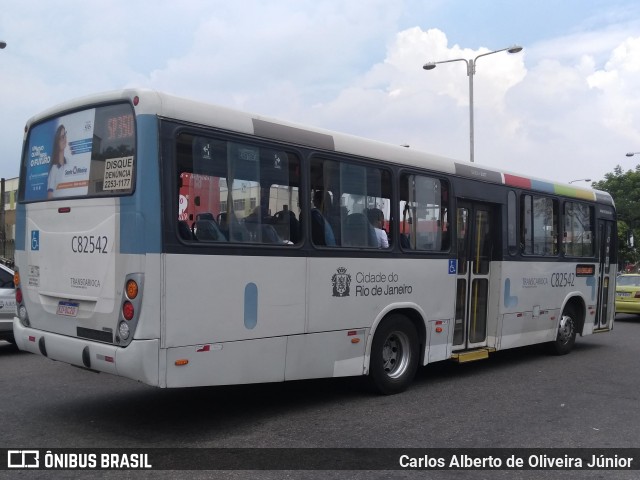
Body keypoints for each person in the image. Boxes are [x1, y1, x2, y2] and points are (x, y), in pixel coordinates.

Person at [47, 125, 68, 199]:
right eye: (60, 138)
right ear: (57, 142)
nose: (64, 139)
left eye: (64, 135)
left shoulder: (69, 163)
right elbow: (50, 197)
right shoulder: (54, 169)